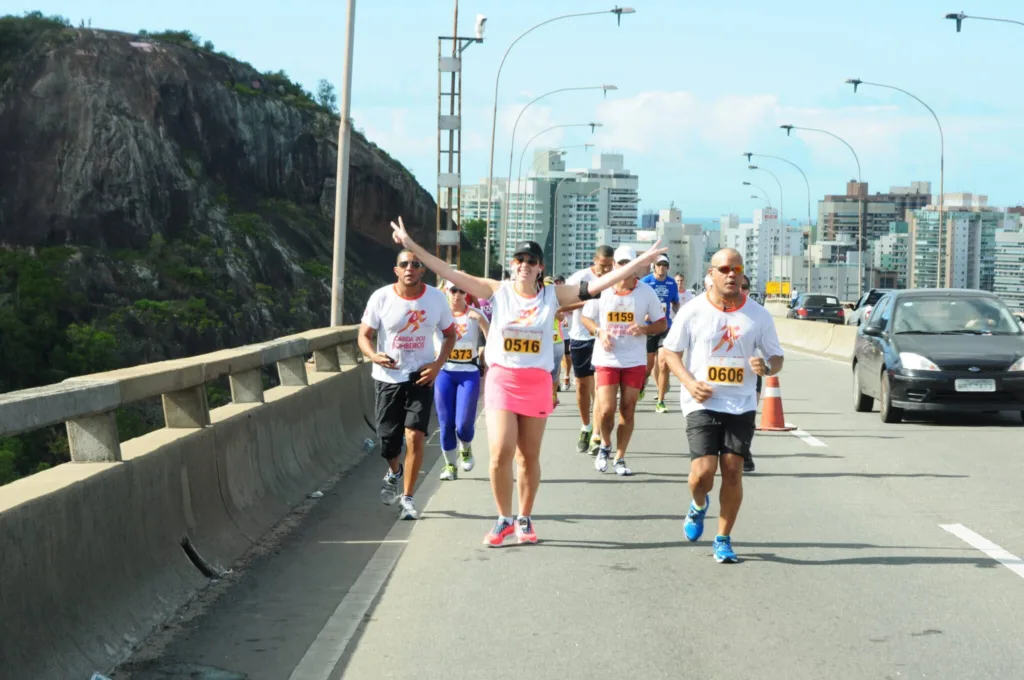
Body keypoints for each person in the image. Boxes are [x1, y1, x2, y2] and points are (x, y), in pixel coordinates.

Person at [388, 216, 665, 546]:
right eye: (519, 260)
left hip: (535, 383)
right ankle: (503, 517)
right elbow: (449, 272)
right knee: (499, 454)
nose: (524, 265)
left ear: (539, 268)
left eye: (531, 261)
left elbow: (596, 286)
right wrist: (411, 245)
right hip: (502, 380)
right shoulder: (496, 291)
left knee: (527, 457)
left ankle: (525, 517)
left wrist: (640, 263)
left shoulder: (551, 296)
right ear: (512, 264)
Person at [662, 248, 785, 563]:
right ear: (711, 274)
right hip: (702, 401)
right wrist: (690, 383)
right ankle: (698, 505)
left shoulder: (757, 314)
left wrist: (766, 367)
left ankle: (723, 538)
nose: (732, 274)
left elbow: (776, 357)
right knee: (702, 474)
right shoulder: (693, 310)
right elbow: (670, 352)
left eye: (737, 269)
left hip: (741, 404)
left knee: (733, 470)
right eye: (725, 269)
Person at [358, 250, 457, 520]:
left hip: (420, 376)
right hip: (387, 378)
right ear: (396, 270)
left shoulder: (436, 299)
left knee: (414, 435)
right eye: (405, 264)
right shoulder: (381, 297)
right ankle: (395, 471)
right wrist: (373, 355)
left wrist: (437, 365)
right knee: (389, 443)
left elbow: (450, 335)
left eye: (416, 264)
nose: (410, 268)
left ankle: (409, 498)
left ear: (422, 271)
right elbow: (364, 335)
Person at [582, 246, 666, 475]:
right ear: (616, 266)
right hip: (607, 357)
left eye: (629, 263)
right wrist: (599, 332)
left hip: (634, 359)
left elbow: (662, 323)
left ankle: (620, 457)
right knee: (607, 409)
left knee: (627, 410)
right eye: (620, 263)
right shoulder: (603, 288)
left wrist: (644, 328)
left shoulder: (646, 292)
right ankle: (605, 445)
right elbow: (586, 317)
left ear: (637, 266)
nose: (624, 268)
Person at [434, 276, 489, 481]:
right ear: (446, 292)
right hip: (444, 372)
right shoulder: (438, 315)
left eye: (461, 291)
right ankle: (450, 466)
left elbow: (492, 339)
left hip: (468, 373)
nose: (457, 295)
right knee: (446, 423)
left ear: (467, 293)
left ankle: (465, 447)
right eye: (453, 290)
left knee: (464, 423)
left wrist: (482, 321)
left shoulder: (476, 314)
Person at [564, 247, 615, 455]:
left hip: (604, 338)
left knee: (600, 388)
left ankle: (596, 434)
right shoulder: (580, 277)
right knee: (582, 386)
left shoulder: (614, 278)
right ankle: (585, 426)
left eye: (609, 266)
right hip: (580, 336)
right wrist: (587, 300)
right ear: (595, 261)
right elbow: (565, 302)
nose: (606, 270)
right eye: (603, 265)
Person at [640, 254, 680, 413]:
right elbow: (637, 302)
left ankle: (661, 400)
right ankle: (642, 385)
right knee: (649, 366)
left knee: (663, 363)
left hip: (665, 327)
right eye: (659, 265)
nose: (662, 267)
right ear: (654, 266)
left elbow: (675, 302)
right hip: (649, 328)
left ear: (668, 267)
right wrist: (643, 315)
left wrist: (680, 312)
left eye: (665, 265)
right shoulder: (645, 282)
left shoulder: (671, 283)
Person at [741, 275, 759, 474]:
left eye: (745, 287)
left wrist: (766, 365)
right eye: (739, 286)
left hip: (751, 373)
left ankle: (745, 450)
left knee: (749, 415)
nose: (741, 290)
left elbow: (774, 353)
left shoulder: (758, 313)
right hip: (720, 373)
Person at [548, 276, 565, 409]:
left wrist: (553, 310)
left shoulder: (556, 303)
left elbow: (561, 317)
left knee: (555, 371)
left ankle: (553, 395)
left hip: (557, 341)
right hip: (542, 342)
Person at [554, 275, 572, 390]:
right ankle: (558, 381)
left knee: (567, 356)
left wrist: (563, 308)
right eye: (556, 282)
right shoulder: (551, 296)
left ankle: (566, 376)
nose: (558, 284)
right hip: (555, 332)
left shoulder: (569, 295)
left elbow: (574, 310)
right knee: (559, 358)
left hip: (568, 331)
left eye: (560, 282)